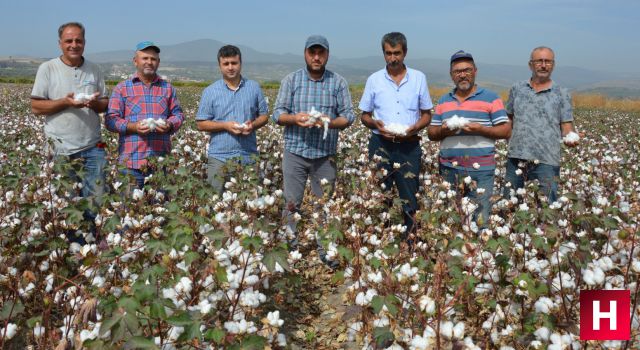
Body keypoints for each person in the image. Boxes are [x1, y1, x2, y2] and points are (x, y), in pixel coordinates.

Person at [272, 35, 355, 261]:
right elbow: (277, 113)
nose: (316, 57)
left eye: (321, 53)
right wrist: (294, 119)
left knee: (324, 205)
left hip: (325, 155)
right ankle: (290, 248)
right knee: (291, 203)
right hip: (295, 152)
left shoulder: (338, 83)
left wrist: (328, 121)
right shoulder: (291, 80)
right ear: (305, 53)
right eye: (312, 52)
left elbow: (348, 117)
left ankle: (325, 251)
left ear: (327, 55)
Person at [31, 22, 108, 241]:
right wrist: (66, 102)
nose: (74, 45)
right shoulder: (47, 68)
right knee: (68, 202)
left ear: (84, 42)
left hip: (94, 146)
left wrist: (93, 103)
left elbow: (104, 103)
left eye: (78, 40)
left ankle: (90, 244)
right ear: (60, 44)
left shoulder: (94, 69)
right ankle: (73, 246)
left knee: (95, 197)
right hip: (61, 150)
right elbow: (36, 107)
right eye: (69, 41)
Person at [359, 32, 432, 238]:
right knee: (380, 193)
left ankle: (410, 240)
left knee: (409, 194)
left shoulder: (418, 78)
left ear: (405, 52)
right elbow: (364, 116)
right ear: (383, 54)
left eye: (397, 53)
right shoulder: (374, 80)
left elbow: (427, 115)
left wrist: (415, 128)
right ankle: (381, 239)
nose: (393, 58)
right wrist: (375, 124)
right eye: (388, 53)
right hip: (380, 143)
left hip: (409, 145)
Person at [427, 50, 511, 228]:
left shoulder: (491, 98)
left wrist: (481, 129)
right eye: (458, 71)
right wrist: (444, 131)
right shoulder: (444, 101)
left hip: (481, 171)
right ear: (451, 75)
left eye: (467, 70)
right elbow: (431, 133)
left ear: (475, 71)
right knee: (451, 219)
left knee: (480, 219)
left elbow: (505, 130)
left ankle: (478, 254)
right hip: (449, 169)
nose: (462, 75)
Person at [503, 47, 578, 203]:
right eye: (539, 61)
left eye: (548, 61)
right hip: (516, 157)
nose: (543, 65)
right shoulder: (517, 89)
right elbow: (508, 118)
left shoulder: (561, 93)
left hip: (547, 161)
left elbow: (566, 126)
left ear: (553, 65)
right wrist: (508, 140)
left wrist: (571, 138)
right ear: (531, 65)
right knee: (509, 205)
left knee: (546, 207)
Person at [105, 41, 184, 189]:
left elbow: (178, 115)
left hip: (160, 164)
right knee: (129, 210)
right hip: (131, 164)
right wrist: (133, 127)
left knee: (160, 210)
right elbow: (110, 120)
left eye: (153, 59)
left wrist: (169, 125)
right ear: (135, 61)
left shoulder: (167, 88)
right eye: (145, 58)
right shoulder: (122, 89)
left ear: (158, 62)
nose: (149, 62)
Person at [196, 45, 269, 193]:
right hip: (219, 158)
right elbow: (201, 124)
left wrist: (252, 125)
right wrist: (225, 126)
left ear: (240, 63)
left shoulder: (254, 88)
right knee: (215, 203)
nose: (230, 67)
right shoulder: (210, 91)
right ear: (220, 66)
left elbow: (264, 116)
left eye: (234, 63)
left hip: (248, 157)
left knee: (248, 205)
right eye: (226, 64)